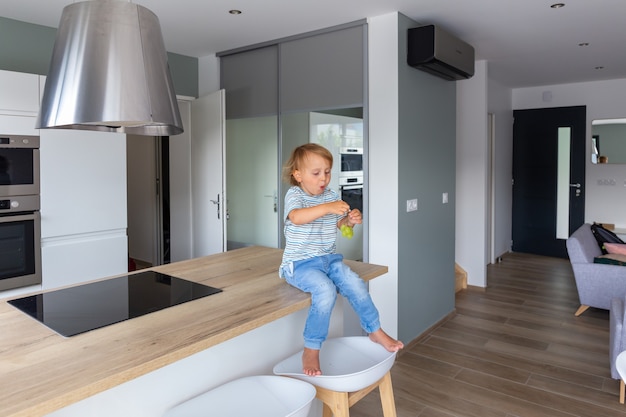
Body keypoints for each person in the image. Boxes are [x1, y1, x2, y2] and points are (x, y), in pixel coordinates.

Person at [279, 143, 403, 376]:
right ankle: (312, 348)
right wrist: (327, 207)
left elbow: (340, 226)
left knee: (355, 283)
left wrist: (350, 221)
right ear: (298, 175)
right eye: (315, 173)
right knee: (325, 291)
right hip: (299, 264)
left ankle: (374, 329)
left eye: (327, 171)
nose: (323, 178)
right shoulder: (295, 195)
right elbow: (296, 218)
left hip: (329, 260)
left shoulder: (331, 196)